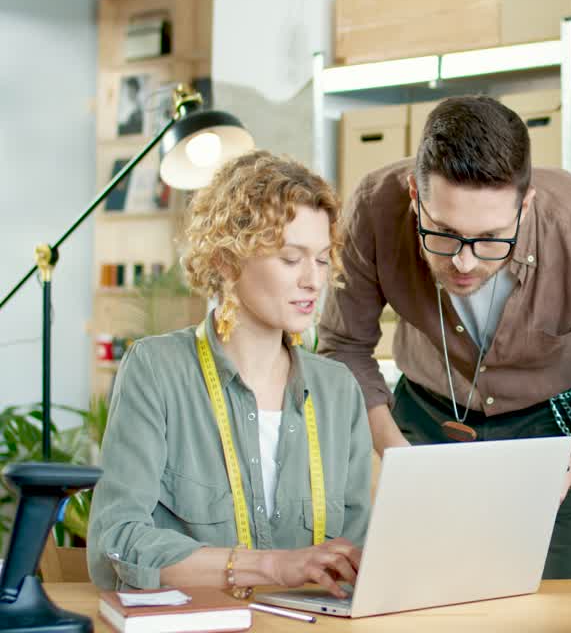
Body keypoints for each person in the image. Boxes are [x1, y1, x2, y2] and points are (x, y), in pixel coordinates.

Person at [318, 95, 571, 579]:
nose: (465, 262)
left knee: (558, 610)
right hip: (424, 424)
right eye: (443, 233)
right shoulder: (375, 208)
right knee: (425, 600)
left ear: (526, 203)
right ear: (414, 193)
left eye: (492, 238)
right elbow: (343, 345)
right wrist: (396, 455)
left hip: (556, 437)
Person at [88, 151, 373, 596]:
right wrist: (271, 567)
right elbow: (117, 542)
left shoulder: (338, 391)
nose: (313, 281)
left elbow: (357, 557)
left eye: (321, 260)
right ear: (226, 260)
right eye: (290, 258)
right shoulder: (157, 371)